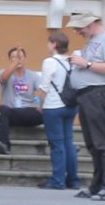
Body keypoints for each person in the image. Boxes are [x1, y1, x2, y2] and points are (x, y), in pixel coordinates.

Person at [68, 11, 105, 201]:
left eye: (78, 28)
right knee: (93, 144)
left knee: (102, 143)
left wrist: (86, 63)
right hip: (87, 95)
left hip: (97, 94)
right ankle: (97, 186)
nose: (76, 32)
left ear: (90, 24)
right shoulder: (93, 40)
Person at [34, 32, 80, 190]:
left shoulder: (49, 62)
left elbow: (44, 86)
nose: (47, 45)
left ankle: (57, 180)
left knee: (56, 144)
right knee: (68, 142)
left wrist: (39, 104)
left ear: (54, 44)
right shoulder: (71, 61)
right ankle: (73, 180)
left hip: (53, 106)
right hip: (71, 106)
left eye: (49, 43)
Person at [0, 46, 43, 155]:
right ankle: (3, 144)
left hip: (27, 112)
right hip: (10, 112)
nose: (17, 60)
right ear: (10, 60)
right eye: (13, 58)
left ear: (25, 59)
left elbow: (44, 90)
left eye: (20, 57)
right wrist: (15, 64)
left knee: (49, 112)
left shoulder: (33, 76)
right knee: (2, 109)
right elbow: (4, 78)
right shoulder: (4, 73)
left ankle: (64, 144)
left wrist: (41, 105)